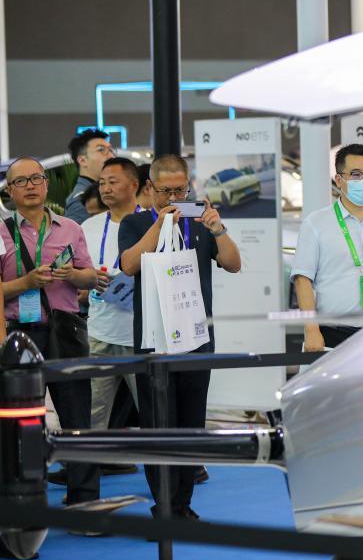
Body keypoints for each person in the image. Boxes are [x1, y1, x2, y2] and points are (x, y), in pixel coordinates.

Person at [119, 155, 242, 520]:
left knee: (191, 425)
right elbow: (128, 264)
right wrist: (159, 224)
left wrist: (218, 228)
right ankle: (165, 506)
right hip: (154, 341)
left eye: (181, 190)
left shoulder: (199, 221)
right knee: (158, 425)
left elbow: (234, 264)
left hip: (197, 338)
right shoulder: (135, 222)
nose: (174, 197)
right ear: (150, 188)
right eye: (166, 191)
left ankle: (183, 504)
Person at [0, 157, 101, 510]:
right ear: (9, 191)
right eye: (21, 181)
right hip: (18, 336)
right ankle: (27, 505)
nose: (30, 185)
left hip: (66, 329)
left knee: (77, 417)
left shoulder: (70, 228)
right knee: (23, 422)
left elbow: (91, 277)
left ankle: (84, 502)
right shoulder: (1, 232)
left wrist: (73, 275)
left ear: (46, 184)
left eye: (36, 178)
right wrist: (26, 283)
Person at [291, 144, 363, 351]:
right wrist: (311, 330)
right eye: (356, 174)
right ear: (339, 180)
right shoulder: (316, 222)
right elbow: (302, 279)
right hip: (335, 331)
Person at [81, 158, 141, 433]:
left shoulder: (150, 223)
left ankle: (162, 460)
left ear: (134, 185)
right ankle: (89, 460)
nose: (105, 189)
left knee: (152, 410)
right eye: (102, 183)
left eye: (113, 182)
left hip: (140, 337)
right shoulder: (88, 227)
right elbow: (78, 274)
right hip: (99, 333)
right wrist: (86, 280)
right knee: (93, 412)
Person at [65, 129, 114, 224]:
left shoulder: (101, 192)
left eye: (111, 150)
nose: (111, 156)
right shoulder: (80, 200)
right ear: (82, 160)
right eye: (101, 150)